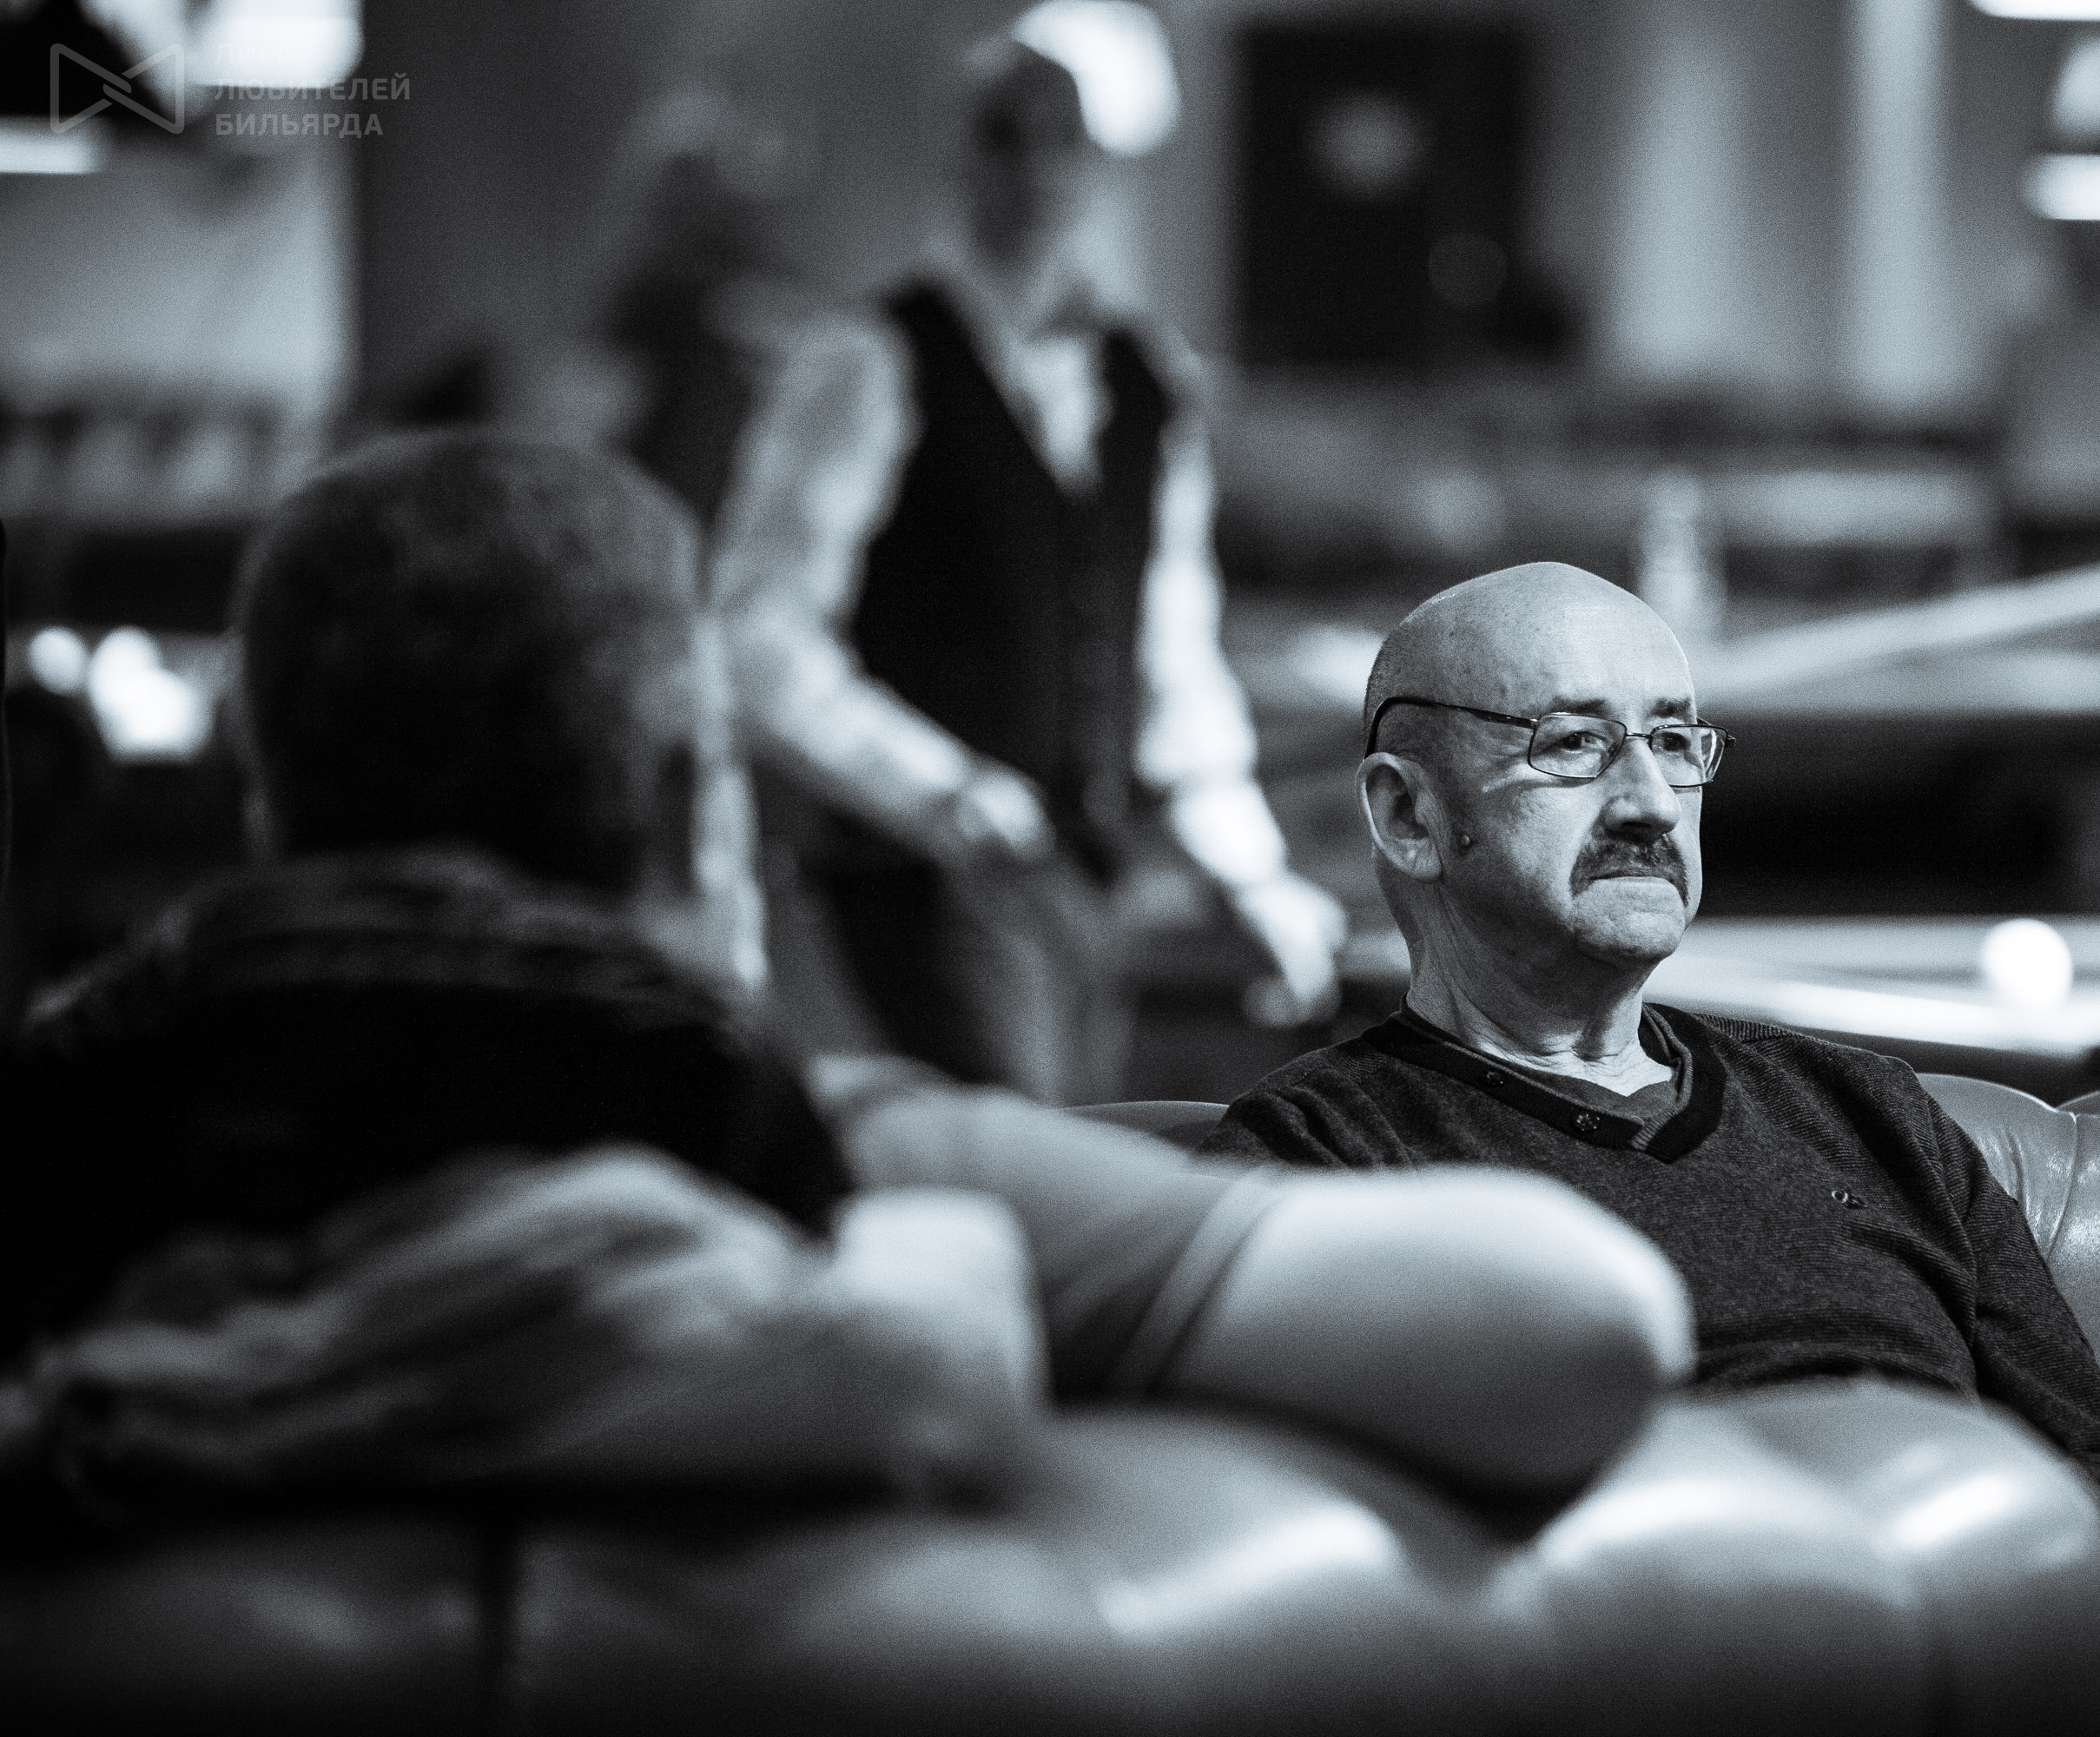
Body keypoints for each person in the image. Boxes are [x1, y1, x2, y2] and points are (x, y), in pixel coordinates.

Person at [0, 437, 1693, 1517]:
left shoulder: (69, 1146)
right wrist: (927, 1257)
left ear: (268, 814)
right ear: (697, 807)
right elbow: (1578, 1323)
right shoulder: (868, 1166)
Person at [1198, 562, 2100, 1733]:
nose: (1651, 802)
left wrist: (2061, 1640)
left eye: (1675, 742)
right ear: (1409, 816)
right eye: (1574, 744)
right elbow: (1347, 1600)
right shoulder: (1317, 1162)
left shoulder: (1865, 1110)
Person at [708, 35, 1341, 1101]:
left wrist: (1249, 868)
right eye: (1006, 137)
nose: (1039, 168)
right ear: (955, 157)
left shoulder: (1150, 373)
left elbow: (1170, 652)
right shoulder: (868, 357)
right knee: (1024, 1146)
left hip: (1093, 871)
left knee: (1085, 1134)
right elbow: (755, 632)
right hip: (924, 876)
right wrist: (936, 787)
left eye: (1065, 140)